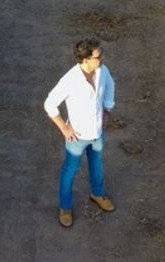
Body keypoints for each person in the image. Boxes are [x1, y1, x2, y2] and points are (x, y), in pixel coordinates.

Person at [44, 38, 116, 228]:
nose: (102, 59)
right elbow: (49, 104)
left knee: (97, 164)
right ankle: (65, 207)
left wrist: (107, 110)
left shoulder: (102, 71)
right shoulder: (70, 80)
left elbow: (110, 86)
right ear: (85, 60)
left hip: (97, 133)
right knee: (70, 171)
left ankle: (97, 194)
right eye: (98, 56)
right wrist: (64, 127)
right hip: (77, 137)